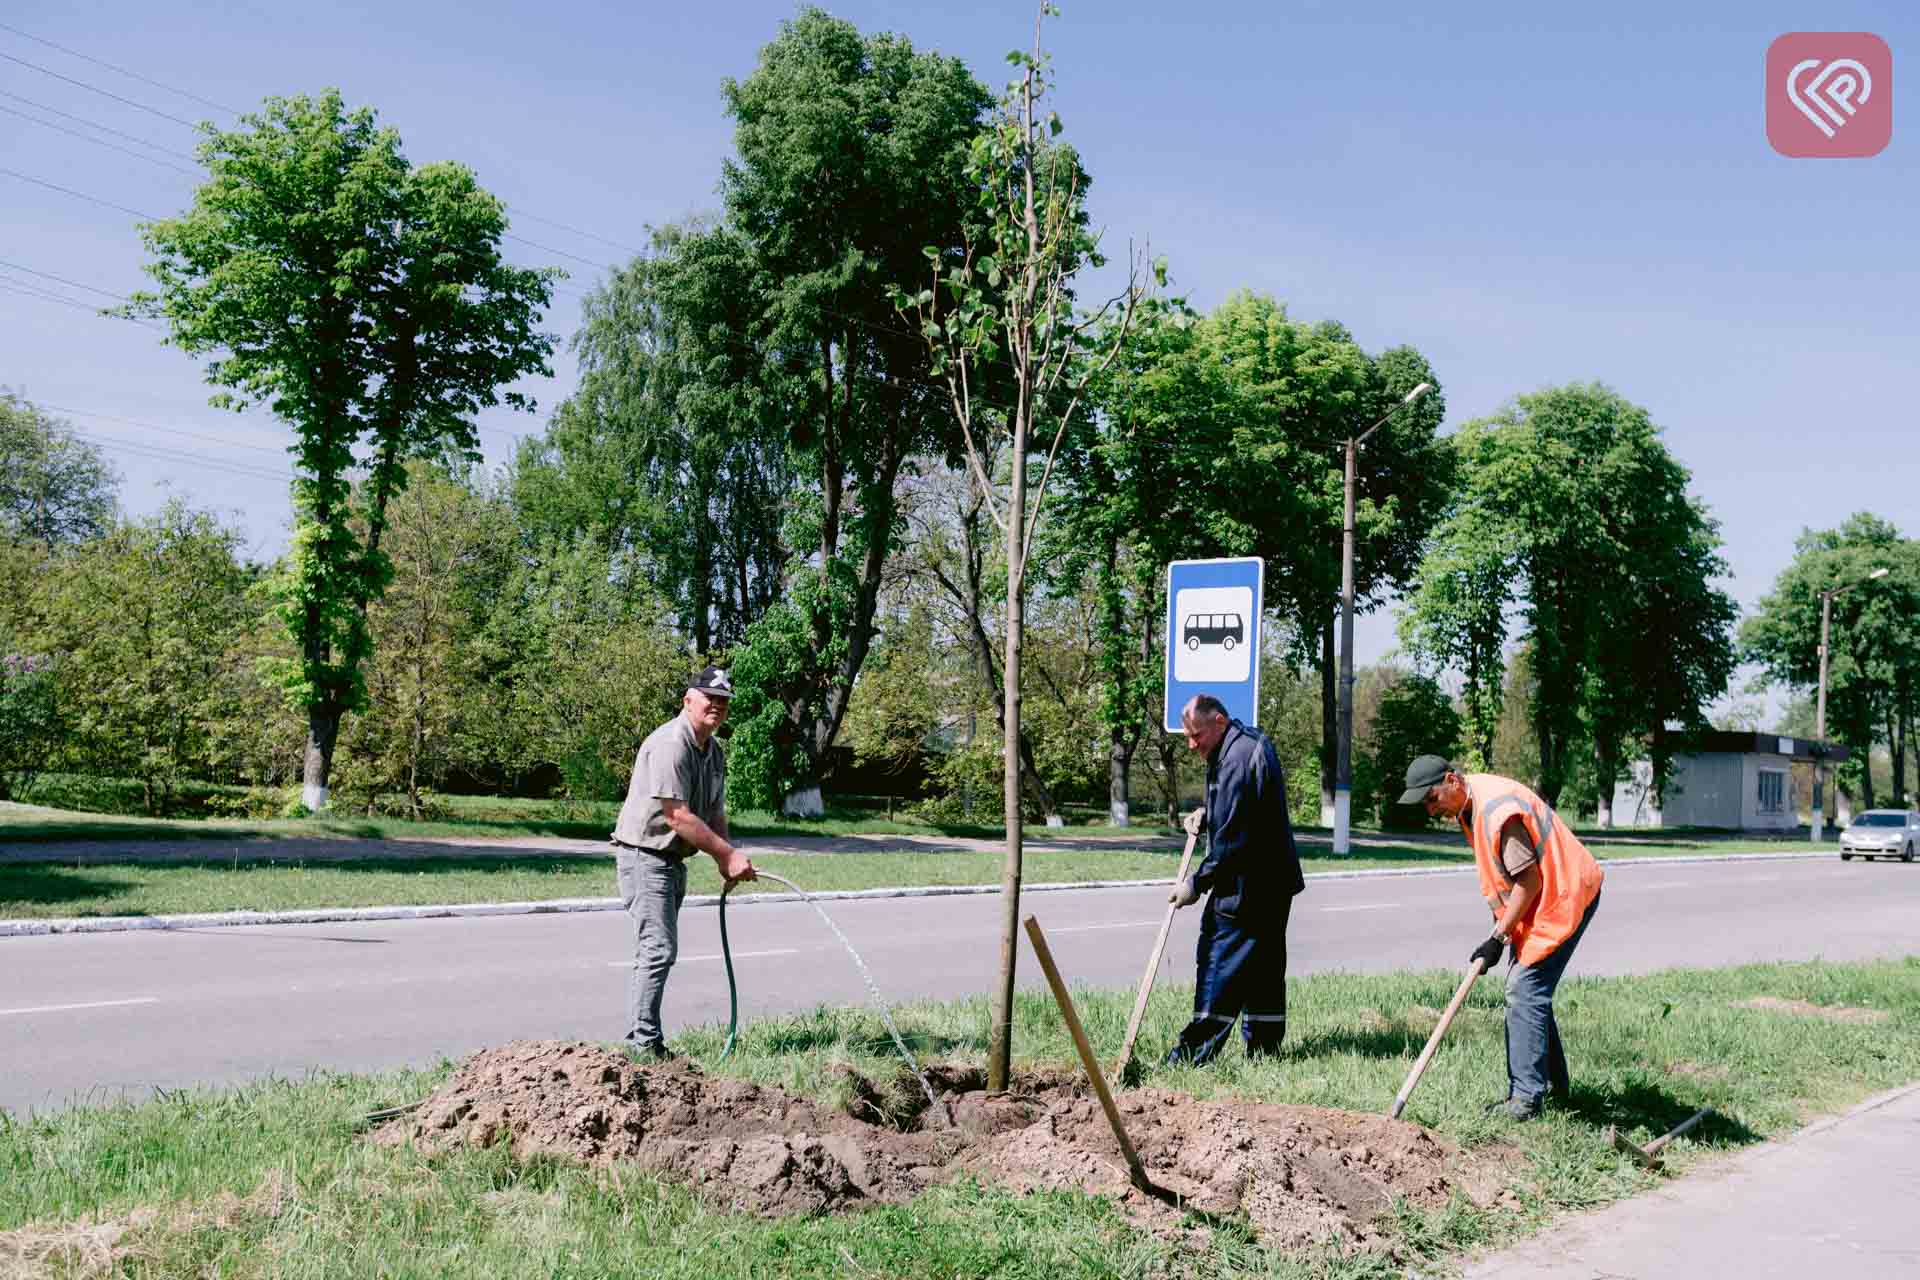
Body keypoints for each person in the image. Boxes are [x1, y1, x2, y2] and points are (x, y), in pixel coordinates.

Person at [1398, 754, 1604, 1119]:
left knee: (1523, 990)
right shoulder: (1470, 805)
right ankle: (1555, 1088)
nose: (1431, 810)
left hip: (1564, 895)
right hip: (1539, 905)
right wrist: (1503, 929)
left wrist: (1498, 936)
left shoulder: (1496, 811)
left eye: (1432, 799)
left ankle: (1526, 1099)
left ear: (1452, 780)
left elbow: (1530, 881)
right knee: (1528, 990)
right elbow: (1506, 877)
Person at [610, 667, 757, 1060]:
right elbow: (677, 815)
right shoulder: (670, 744)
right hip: (645, 856)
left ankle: (643, 1040)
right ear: (688, 700)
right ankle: (644, 1046)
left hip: (673, 859)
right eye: (709, 697)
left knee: (659, 948)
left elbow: (714, 812)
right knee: (657, 949)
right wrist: (725, 854)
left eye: (723, 700)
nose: (717, 705)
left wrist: (727, 856)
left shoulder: (714, 751)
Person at [1164, 693, 1307, 1066]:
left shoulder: (1236, 760)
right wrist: (1207, 813)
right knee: (1263, 965)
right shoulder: (1244, 744)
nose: (1193, 744)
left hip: (1249, 884)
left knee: (1218, 958)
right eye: (1189, 737)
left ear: (1219, 722)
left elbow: (1232, 841)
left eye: (1197, 735)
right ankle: (1264, 1050)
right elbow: (1240, 807)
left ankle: (1192, 1054)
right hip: (1275, 883)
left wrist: (1196, 883)